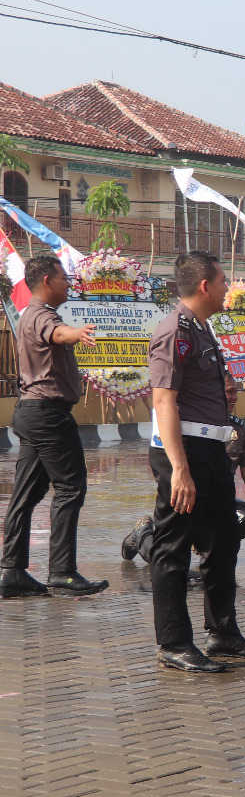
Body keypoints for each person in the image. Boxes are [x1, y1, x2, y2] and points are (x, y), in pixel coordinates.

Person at [144, 251, 245, 672]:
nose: (227, 289)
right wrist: (179, 468)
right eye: (222, 282)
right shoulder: (174, 332)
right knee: (173, 547)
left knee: (223, 540)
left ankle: (223, 634)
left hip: (213, 449)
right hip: (181, 450)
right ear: (205, 286)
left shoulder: (201, 329)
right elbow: (164, 401)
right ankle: (174, 643)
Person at [1, 254, 107, 596]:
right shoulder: (42, 316)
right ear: (47, 280)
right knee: (70, 488)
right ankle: (62, 572)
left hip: (32, 413)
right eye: (63, 278)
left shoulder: (29, 314)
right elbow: (57, 334)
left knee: (26, 495)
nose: (68, 283)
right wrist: (74, 334)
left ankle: (11, 571)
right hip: (47, 415)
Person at [123, 374, 245, 569]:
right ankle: (143, 536)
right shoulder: (189, 426)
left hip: (216, 498)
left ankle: (204, 548)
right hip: (185, 497)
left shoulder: (238, 429)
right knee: (167, 559)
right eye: (229, 392)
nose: (234, 397)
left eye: (236, 392)